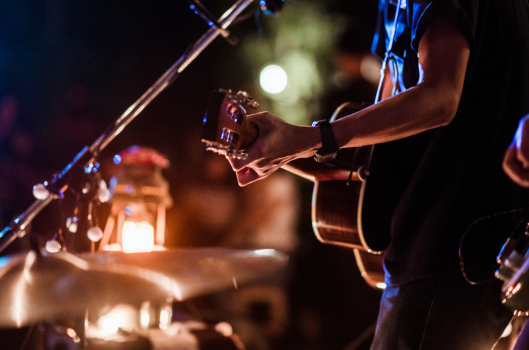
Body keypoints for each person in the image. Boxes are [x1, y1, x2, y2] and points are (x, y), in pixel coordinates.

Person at [226, 0, 529, 349]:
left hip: (451, 242)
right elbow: (383, 150)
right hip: (470, 244)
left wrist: (314, 138)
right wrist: (288, 149)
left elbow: (442, 96)